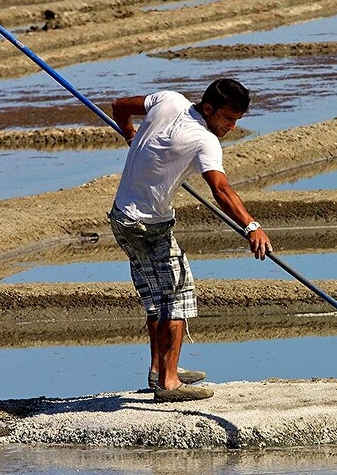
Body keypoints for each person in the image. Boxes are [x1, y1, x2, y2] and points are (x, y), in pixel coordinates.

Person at [108, 78, 272, 401]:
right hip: (148, 226)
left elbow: (118, 107)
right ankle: (169, 383)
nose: (232, 127)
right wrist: (251, 226)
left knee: (156, 297)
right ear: (208, 109)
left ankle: (158, 369)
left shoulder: (168, 100)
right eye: (227, 119)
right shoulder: (204, 141)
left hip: (121, 218)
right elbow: (221, 190)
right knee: (178, 293)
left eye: (236, 120)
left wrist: (130, 133)